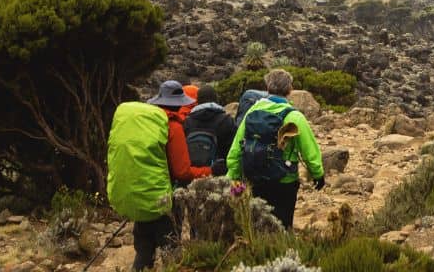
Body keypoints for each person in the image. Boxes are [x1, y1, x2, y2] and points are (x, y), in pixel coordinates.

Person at [226, 69, 324, 229]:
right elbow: (309, 149)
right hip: (284, 181)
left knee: (257, 225)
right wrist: (317, 174)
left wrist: (233, 175)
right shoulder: (294, 116)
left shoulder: (252, 111)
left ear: (267, 88)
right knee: (282, 226)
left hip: (255, 178)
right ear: (290, 89)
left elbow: (237, 146)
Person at [133, 81, 212, 271]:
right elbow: (182, 171)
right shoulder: (173, 127)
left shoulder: (146, 123)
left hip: (142, 193)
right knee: (172, 254)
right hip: (164, 198)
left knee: (143, 252)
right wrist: (209, 172)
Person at [183, 85, 236, 174]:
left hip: (193, 173)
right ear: (216, 99)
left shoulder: (187, 121)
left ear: (198, 101)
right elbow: (232, 149)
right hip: (220, 173)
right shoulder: (226, 120)